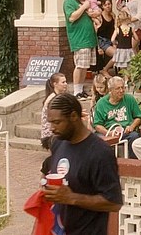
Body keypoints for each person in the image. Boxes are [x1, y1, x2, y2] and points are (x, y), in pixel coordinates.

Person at [42, 93, 123, 234]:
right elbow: (49, 174)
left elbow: (114, 203)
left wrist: (72, 198)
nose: (52, 128)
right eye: (50, 122)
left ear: (74, 116)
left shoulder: (100, 153)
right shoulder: (58, 143)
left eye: (57, 122)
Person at [92, 76, 141, 158]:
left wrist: (131, 127)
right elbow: (97, 125)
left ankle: (132, 163)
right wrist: (108, 133)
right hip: (108, 131)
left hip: (125, 132)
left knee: (134, 136)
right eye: (118, 88)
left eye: (123, 87)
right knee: (96, 140)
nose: (121, 91)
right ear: (110, 90)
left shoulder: (129, 99)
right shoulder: (101, 103)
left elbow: (138, 117)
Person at [64, 0, 98, 95]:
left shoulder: (82, 1)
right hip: (79, 39)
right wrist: (84, 7)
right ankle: (76, 91)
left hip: (88, 39)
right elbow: (71, 17)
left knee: (85, 66)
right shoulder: (69, 1)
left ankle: (81, 89)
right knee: (79, 65)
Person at [40, 73, 68, 150]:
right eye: (63, 82)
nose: (65, 84)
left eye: (66, 82)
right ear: (55, 84)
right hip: (50, 134)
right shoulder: (52, 99)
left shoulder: (59, 96)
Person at [96, 0, 117, 76]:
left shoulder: (113, 16)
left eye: (109, 4)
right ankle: (105, 69)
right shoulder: (100, 16)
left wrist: (114, 43)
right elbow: (95, 32)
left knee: (123, 53)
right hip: (102, 41)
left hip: (111, 40)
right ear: (102, 6)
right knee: (117, 54)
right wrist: (98, 47)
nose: (108, 6)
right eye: (105, 5)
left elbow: (115, 30)